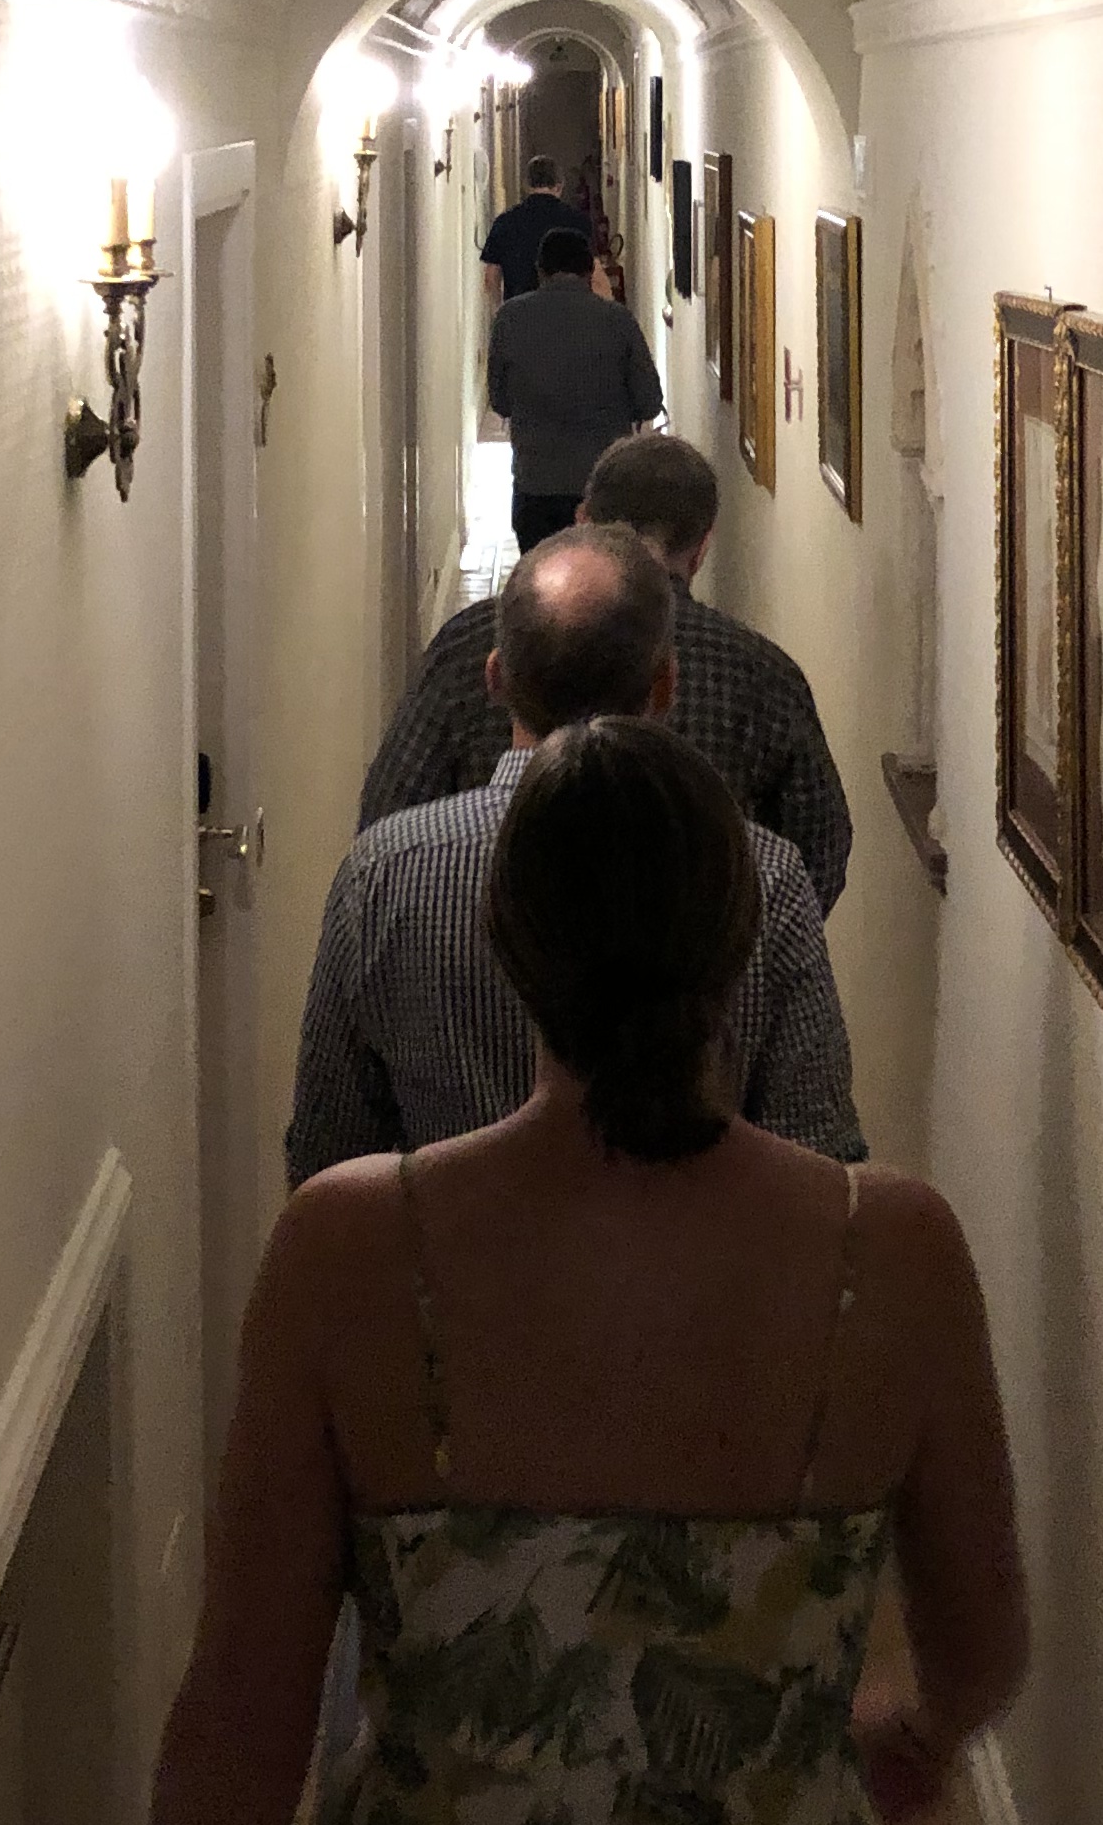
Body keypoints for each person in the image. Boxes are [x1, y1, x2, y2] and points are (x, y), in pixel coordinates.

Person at [123, 720, 1030, 1825]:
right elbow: (983, 1646)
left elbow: (240, 1716)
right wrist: (915, 1736)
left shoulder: (350, 1253)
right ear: (738, 950)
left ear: (509, 946)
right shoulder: (894, 1256)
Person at [288, 524, 864, 1180]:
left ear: (496, 678)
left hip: (454, 1244)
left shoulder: (383, 875)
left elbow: (327, 1153)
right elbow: (818, 1152)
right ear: (665, 685)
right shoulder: (764, 876)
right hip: (703, 1247)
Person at [363, 428, 855, 910]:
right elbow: (819, 850)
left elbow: (393, 802)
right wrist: (740, 938)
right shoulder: (762, 673)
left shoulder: (471, 641)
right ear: (701, 548)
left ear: (582, 518)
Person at [488, 225, 663, 553]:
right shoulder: (618, 320)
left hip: (536, 483)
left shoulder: (510, 318)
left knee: (542, 575)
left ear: (540, 271)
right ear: (589, 271)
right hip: (604, 486)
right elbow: (649, 402)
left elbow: (500, 401)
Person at [477, 151, 587, 315]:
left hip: (519, 315)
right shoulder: (576, 222)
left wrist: (500, 311)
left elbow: (491, 277)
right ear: (559, 185)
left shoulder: (505, 222)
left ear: (526, 185)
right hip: (568, 315)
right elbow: (595, 276)